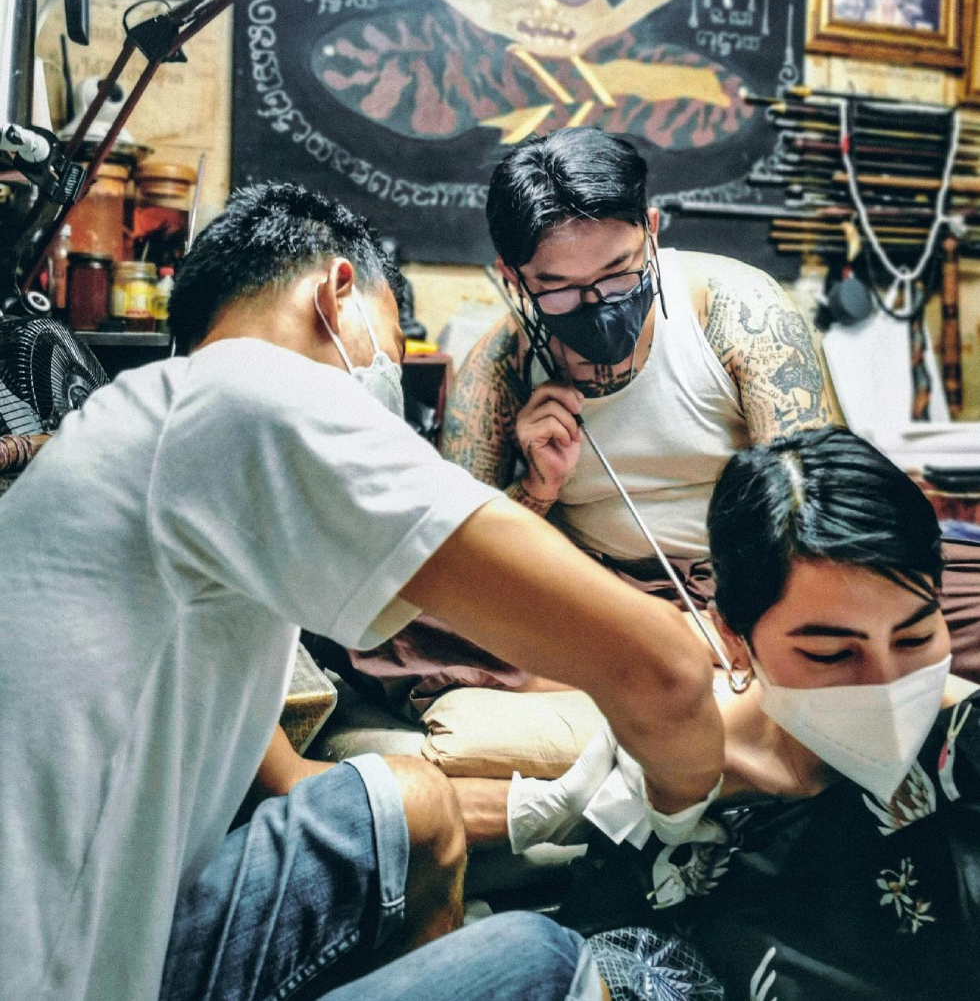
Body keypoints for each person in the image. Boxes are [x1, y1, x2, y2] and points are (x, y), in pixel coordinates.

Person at [0, 182, 722, 1001]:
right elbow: (660, 668)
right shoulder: (246, 395)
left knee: (402, 802)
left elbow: (298, 783)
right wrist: (678, 802)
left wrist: (548, 808)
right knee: (545, 961)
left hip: (106, 936)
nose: (390, 382)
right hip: (55, 976)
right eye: (393, 351)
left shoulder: (160, 448)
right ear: (336, 291)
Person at [327, 125, 843, 713]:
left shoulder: (742, 313)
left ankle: (646, 662)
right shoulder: (499, 366)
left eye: (619, 272)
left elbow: (816, 509)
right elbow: (458, 564)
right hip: (596, 597)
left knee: (868, 591)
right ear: (514, 277)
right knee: (387, 625)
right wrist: (538, 488)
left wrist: (738, 611)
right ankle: (674, 659)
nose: (597, 302)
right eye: (560, 289)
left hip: (745, 582)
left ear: (651, 232)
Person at [488, 428, 980, 1001]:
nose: (887, 685)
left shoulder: (961, 747)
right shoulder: (686, 782)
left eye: (916, 637)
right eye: (830, 654)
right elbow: (613, 948)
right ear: (734, 639)